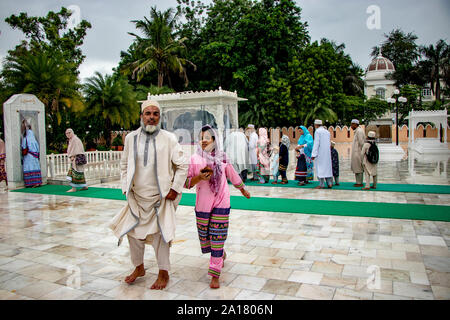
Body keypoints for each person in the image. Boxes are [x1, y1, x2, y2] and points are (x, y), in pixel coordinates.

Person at [109, 100, 188, 290]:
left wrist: (175, 188)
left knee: (162, 236)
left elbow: (182, 165)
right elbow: (124, 165)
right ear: (141, 116)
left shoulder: (169, 138)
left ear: (159, 117)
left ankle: (163, 272)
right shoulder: (130, 138)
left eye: (155, 114)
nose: (151, 117)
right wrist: (125, 187)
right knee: (133, 233)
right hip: (137, 198)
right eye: (147, 113)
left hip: (160, 199)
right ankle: (139, 267)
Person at [185, 125, 250, 289]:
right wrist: (199, 177)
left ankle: (214, 274)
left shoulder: (223, 157)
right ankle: (220, 253)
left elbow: (232, 174)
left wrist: (242, 189)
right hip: (203, 205)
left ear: (214, 140)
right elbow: (186, 183)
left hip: (221, 201)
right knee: (207, 237)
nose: (204, 139)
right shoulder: (194, 159)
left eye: (208, 136)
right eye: (201, 137)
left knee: (218, 236)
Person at [311, 119, 333, 189]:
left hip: (320, 153)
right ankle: (329, 183)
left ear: (316, 125)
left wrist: (313, 154)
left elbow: (316, 143)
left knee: (320, 168)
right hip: (327, 153)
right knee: (327, 168)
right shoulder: (327, 132)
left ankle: (321, 184)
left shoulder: (317, 132)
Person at [21, 119, 42, 188]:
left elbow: (24, 146)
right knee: (35, 167)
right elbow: (37, 148)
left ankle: (31, 183)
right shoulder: (33, 138)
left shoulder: (26, 138)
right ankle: (37, 182)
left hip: (28, 156)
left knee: (29, 168)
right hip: (35, 155)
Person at [351, 119, 365, 187]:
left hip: (358, 152)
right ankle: (358, 182)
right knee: (356, 167)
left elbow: (361, 142)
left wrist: (361, 152)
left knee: (359, 167)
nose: (351, 126)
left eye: (352, 124)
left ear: (355, 124)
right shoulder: (357, 131)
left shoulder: (359, 131)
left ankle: (359, 183)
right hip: (356, 152)